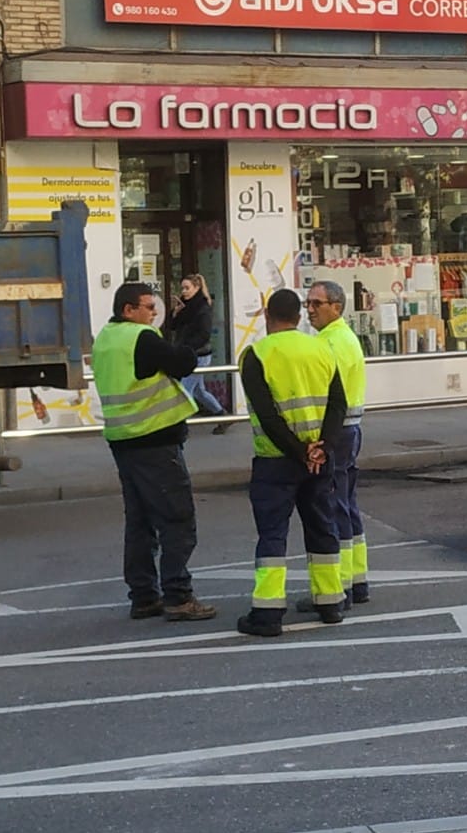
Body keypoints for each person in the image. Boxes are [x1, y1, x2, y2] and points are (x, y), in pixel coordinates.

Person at [91, 282, 217, 622]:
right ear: (128, 310)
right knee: (176, 519)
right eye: (148, 307)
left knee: (140, 523)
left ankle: (144, 596)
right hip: (154, 441)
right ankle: (178, 596)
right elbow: (182, 363)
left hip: (123, 440)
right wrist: (189, 342)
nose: (154, 312)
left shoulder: (105, 338)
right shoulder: (140, 337)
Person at [237, 288, 348, 638]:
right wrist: (323, 447)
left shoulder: (256, 354)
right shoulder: (322, 349)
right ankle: (330, 603)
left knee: (272, 534)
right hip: (319, 460)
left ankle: (268, 613)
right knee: (322, 526)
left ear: (268, 316)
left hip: (276, 461)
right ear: (299, 317)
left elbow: (268, 416)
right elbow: (337, 404)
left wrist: (299, 451)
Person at [305, 280, 370, 607]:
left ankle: (340, 585)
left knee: (334, 505)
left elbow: (329, 398)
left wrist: (320, 440)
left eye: (317, 303)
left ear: (337, 307)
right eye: (308, 304)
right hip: (349, 431)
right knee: (347, 502)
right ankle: (357, 581)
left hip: (337, 433)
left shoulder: (330, 343)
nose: (310, 310)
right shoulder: (343, 337)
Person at [168, 273, 232, 431]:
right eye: (182, 288)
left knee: (184, 390)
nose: (184, 291)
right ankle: (222, 415)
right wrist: (175, 313)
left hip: (198, 355)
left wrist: (187, 349)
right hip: (188, 352)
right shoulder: (184, 306)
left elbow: (204, 335)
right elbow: (173, 326)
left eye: (187, 288)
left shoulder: (202, 308)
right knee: (198, 390)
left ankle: (180, 425)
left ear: (197, 288)